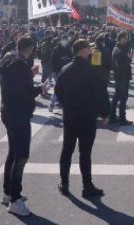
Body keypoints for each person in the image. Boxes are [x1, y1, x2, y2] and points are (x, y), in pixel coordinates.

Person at [55, 39, 110, 198]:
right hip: (87, 117)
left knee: (67, 150)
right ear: (83, 51)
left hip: (70, 116)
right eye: (88, 49)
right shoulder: (90, 70)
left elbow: (58, 91)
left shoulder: (65, 69)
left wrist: (66, 105)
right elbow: (99, 94)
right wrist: (105, 113)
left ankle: (64, 184)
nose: (90, 51)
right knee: (85, 153)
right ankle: (87, 186)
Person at [0, 35, 46, 217]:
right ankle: (15, 200)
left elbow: (15, 84)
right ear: (30, 49)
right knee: (21, 156)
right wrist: (40, 89)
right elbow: (24, 92)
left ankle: (8, 192)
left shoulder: (10, 59)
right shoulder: (19, 65)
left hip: (9, 111)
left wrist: (30, 75)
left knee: (13, 153)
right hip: (18, 113)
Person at [110, 32, 133, 125]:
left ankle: (113, 116)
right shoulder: (118, 50)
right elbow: (120, 66)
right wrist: (129, 59)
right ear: (121, 38)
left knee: (117, 97)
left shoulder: (120, 49)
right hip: (121, 77)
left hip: (122, 77)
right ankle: (121, 118)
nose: (127, 40)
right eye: (125, 38)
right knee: (122, 98)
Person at [49, 35, 73, 112]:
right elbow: (52, 61)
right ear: (60, 40)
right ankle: (52, 105)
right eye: (63, 40)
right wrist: (52, 71)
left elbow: (72, 60)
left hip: (67, 72)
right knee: (57, 89)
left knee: (66, 90)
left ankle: (63, 105)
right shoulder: (56, 50)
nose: (64, 41)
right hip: (57, 72)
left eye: (65, 40)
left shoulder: (69, 50)